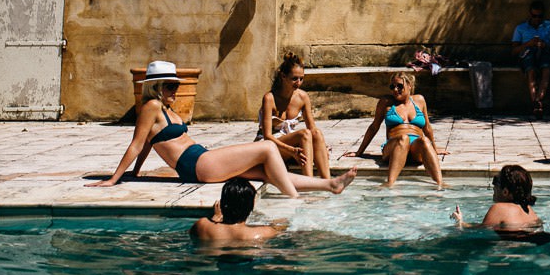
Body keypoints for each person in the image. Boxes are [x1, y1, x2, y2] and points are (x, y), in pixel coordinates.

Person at [88, 60, 357, 198]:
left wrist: (137, 173)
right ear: (156, 86)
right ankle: (296, 200)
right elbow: (137, 143)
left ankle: (329, 184)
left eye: (176, 86)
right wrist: (116, 178)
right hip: (197, 166)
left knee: (266, 172)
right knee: (265, 147)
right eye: (170, 86)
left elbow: (148, 144)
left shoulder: (165, 110)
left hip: (202, 159)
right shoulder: (151, 107)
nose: (175, 90)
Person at [342, 71, 446, 188]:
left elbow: (427, 127)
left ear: (409, 86)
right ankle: (390, 183)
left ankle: (440, 184)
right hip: (393, 147)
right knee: (403, 138)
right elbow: (373, 127)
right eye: (392, 87)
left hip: (415, 149)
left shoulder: (419, 100)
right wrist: (359, 152)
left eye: (399, 86)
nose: (395, 90)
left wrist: (435, 150)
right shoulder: (386, 102)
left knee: (425, 141)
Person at [256, 53, 330, 179]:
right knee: (304, 134)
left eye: (301, 78)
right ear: (283, 76)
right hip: (269, 146)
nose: (298, 82)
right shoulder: (269, 98)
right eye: (294, 78)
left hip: (289, 145)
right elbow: (267, 137)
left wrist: (321, 147)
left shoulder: (302, 97)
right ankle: (309, 182)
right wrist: (292, 150)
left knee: (316, 133)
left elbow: (312, 128)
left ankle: (328, 182)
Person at [451, 164, 550, 243]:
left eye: (496, 182)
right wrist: (463, 222)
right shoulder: (530, 212)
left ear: (505, 191)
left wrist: (458, 224)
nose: (493, 187)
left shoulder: (499, 208)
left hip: (508, 253)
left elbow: (479, 233)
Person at [190, 177, 284, 243]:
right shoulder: (265, 232)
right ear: (251, 205)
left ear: (222, 204)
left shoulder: (202, 226)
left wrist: (216, 218)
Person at [512, 0, 550, 116]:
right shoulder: (521, 28)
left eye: (540, 16)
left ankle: (537, 102)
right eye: (534, 16)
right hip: (528, 52)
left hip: (545, 51)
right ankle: (536, 102)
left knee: (546, 70)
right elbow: (514, 51)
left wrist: (545, 45)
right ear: (530, 14)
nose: (537, 19)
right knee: (531, 71)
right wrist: (528, 44)